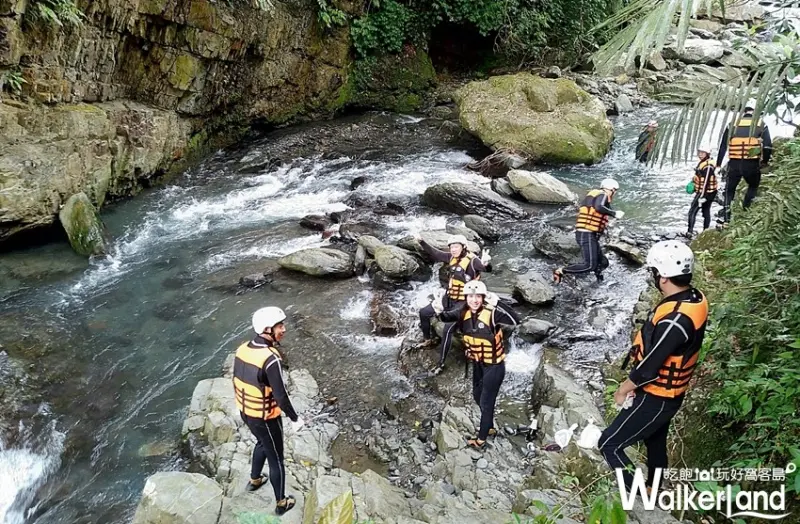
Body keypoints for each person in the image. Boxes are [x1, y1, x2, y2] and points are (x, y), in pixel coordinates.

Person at [599, 241, 708, 494]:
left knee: (609, 444)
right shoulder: (693, 297)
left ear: (664, 276)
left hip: (659, 396)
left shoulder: (677, 320)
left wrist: (623, 390)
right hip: (666, 395)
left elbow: (649, 369)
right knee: (654, 439)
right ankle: (655, 487)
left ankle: (638, 495)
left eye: (654, 272)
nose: (653, 277)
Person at [431, 281, 521, 449]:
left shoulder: (492, 314)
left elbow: (516, 320)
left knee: (486, 401)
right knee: (477, 396)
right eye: (471, 297)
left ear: (483, 298)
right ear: (467, 298)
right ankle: (490, 426)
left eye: (478, 297)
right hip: (478, 363)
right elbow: (446, 317)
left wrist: (499, 303)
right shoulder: (462, 312)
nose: (474, 300)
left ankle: (481, 439)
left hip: (494, 366)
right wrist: (438, 311)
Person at [232, 306, 303, 515]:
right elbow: (280, 396)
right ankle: (281, 503)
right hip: (266, 418)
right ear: (266, 329)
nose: (284, 329)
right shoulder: (271, 358)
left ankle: (255, 479)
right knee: (276, 459)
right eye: (279, 326)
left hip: (246, 412)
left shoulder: (242, 348)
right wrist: (295, 418)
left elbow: (237, 379)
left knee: (261, 442)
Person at [417, 234, 491, 349]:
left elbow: (485, 268)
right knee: (423, 312)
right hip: (449, 298)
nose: (453, 250)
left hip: (464, 301)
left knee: (448, 324)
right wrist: (421, 241)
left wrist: (486, 263)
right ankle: (428, 340)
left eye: (456, 247)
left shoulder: (473, 261)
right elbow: (435, 253)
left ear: (464, 247)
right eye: (451, 247)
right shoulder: (451, 257)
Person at [554, 179, 624, 284]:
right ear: (611, 189)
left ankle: (599, 283)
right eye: (615, 191)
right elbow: (599, 207)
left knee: (603, 262)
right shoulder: (602, 195)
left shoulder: (596, 197)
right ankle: (560, 271)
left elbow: (599, 211)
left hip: (589, 234)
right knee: (590, 265)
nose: (614, 193)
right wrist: (614, 213)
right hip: (586, 234)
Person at [716, 101, 772, 226]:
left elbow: (723, 146)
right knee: (752, 187)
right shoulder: (761, 124)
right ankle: (746, 210)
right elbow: (768, 146)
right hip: (751, 164)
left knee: (729, 191)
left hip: (734, 164)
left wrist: (718, 164)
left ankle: (726, 219)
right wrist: (764, 162)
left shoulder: (732, 125)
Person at [686, 144, 718, 237]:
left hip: (705, 192)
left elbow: (706, 181)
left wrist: (702, 196)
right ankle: (705, 231)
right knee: (705, 210)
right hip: (709, 192)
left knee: (693, 211)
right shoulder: (704, 163)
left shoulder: (708, 166)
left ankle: (690, 232)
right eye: (699, 152)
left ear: (707, 154)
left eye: (703, 153)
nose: (700, 154)